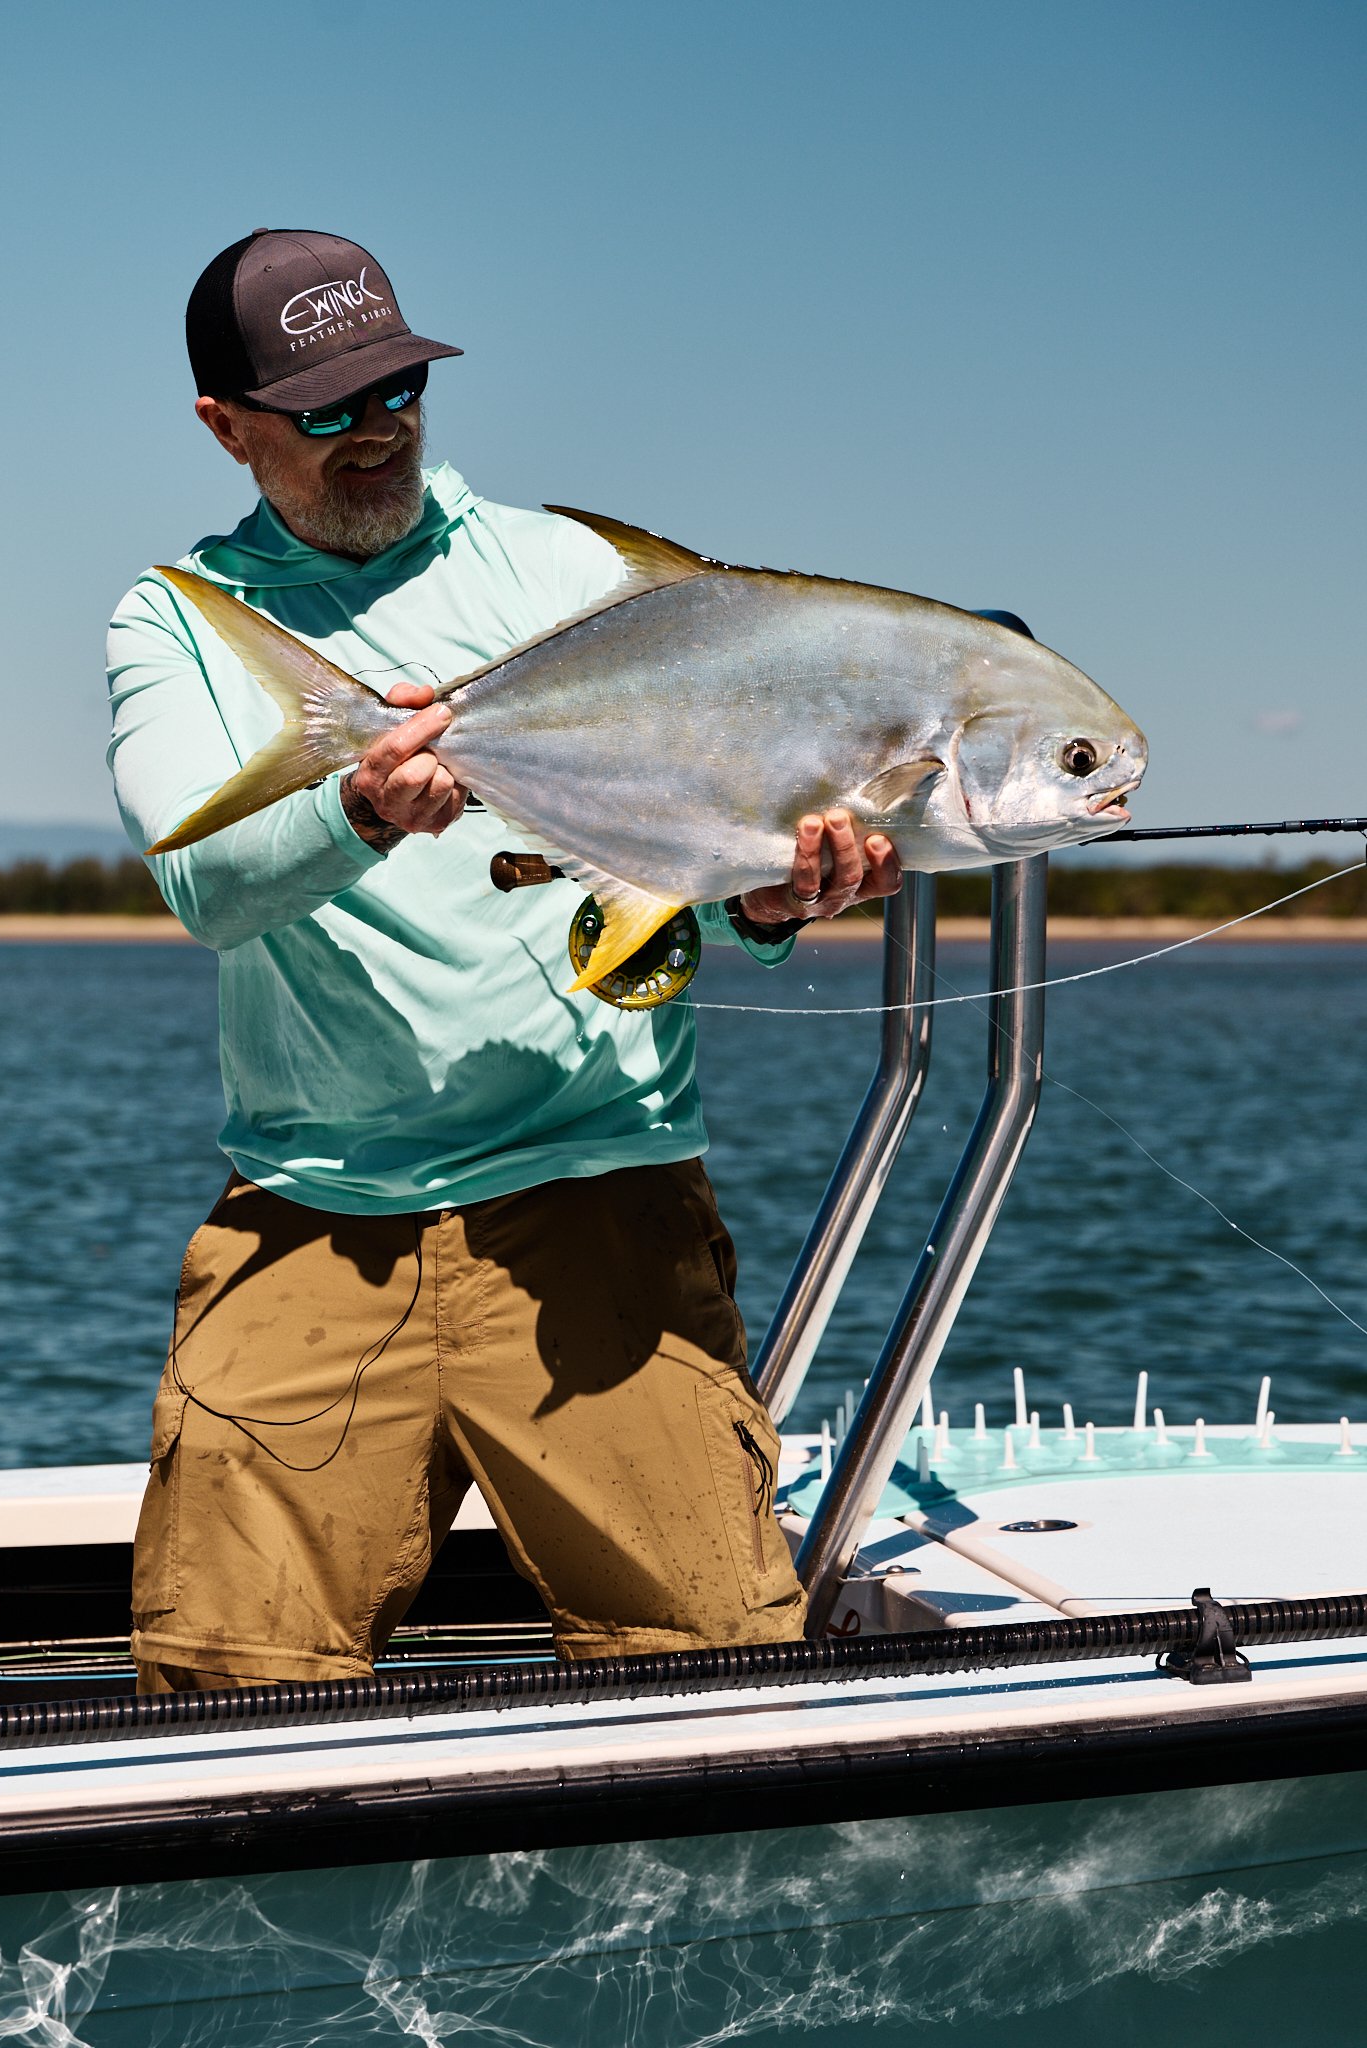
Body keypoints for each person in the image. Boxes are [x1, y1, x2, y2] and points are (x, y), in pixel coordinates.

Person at [107, 228, 901, 1692]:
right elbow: (201, 884)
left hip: (599, 1193)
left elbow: (697, 861)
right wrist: (356, 807)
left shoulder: (582, 574)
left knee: (713, 1675)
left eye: (397, 388)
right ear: (225, 426)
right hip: (313, 1216)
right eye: (326, 407)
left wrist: (776, 907)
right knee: (224, 1691)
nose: (378, 431)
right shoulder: (179, 619)